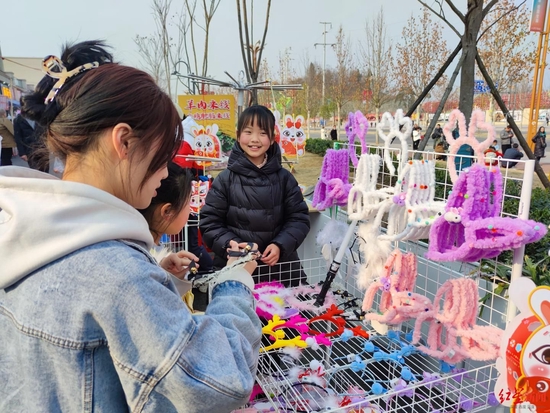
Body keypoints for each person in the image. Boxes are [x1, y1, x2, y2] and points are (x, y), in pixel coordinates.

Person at [0, 41, 261, 412]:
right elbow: (216, 381)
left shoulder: (24, 231)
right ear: (123, 141)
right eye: (163, 155)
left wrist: (157, 279)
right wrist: (236, 284)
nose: (166, 171)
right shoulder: (118, 275)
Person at [200, 105, 311, 286]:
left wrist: (280, 246)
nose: (254, 139)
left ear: (272, 138)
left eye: (262, 133)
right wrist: (234, 246)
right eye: (248, 132)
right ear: (238, 135)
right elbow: (209, 222)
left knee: (288, 312)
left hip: (282, 270)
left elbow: (299, 218)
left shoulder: (285, 179)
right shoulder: (225, 180)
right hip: (236, 269)